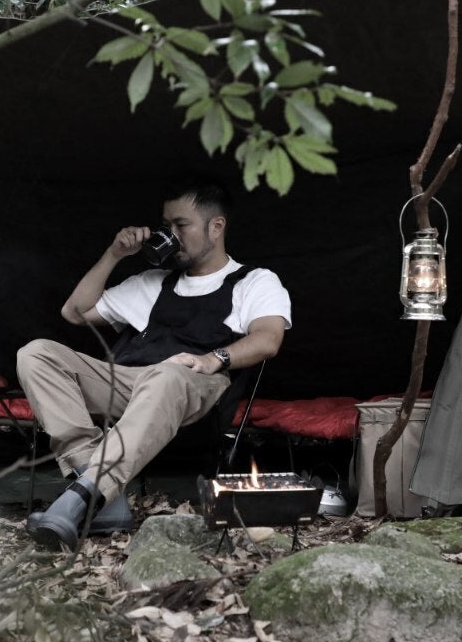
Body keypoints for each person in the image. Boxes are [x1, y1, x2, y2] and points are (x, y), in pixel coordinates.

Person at [17, 179, 292, 550]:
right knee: (36, 354)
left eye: (181, 225)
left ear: (216, 227)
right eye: (167, 226)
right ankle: (102, 497)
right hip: (132, 382)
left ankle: (78, 500)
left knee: (167, 374)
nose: (171, 235)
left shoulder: (253, 281)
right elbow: (75, 311)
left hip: (196, 385)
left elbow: (268, 339)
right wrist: (114, 254)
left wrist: (212, 359)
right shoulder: (153, 282)